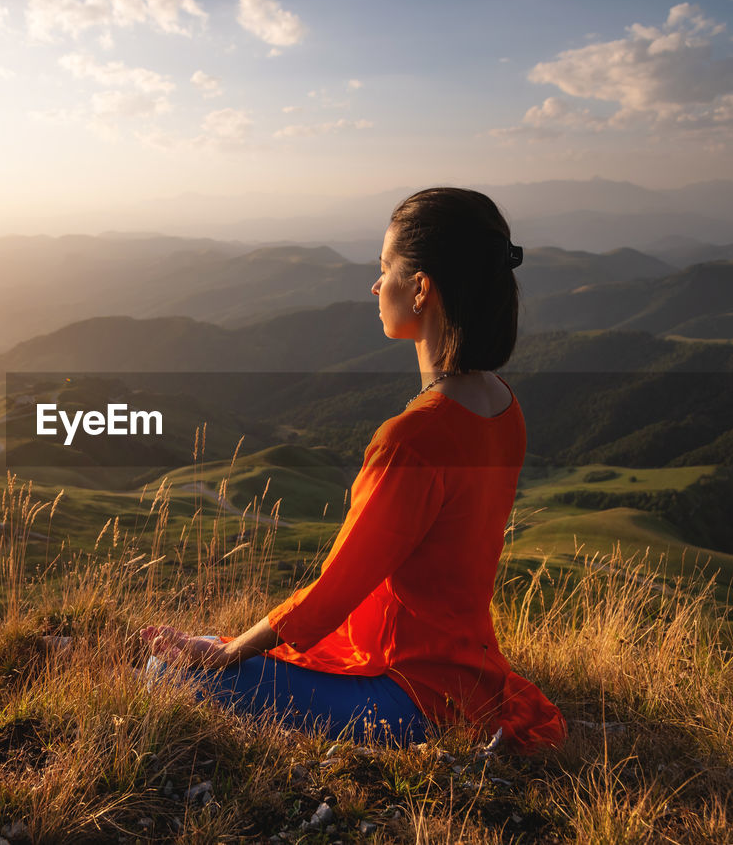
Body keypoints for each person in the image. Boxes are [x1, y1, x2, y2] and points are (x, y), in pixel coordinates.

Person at [139, 187, 567, 754]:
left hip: (408, 698)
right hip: (470, 676)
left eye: (384, 268)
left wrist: (227, 652)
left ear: (420, 289)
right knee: (208, 653)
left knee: (166, 673)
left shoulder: (412, 439)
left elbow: (333, 594)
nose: (375, 285)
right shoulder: (502, 406)